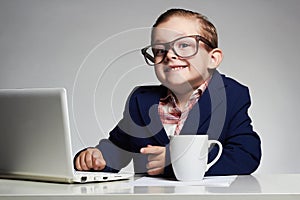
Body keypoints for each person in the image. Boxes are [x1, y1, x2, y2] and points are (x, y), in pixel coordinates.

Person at [74, 8, 261, 177]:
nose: (170, 55)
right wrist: (96, 157)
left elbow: (246, 155)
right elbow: (119, 147)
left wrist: (177, 160)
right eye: (159, 50)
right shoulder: (141, 101)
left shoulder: (231, 95)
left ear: (213, 58)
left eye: (184, 45)